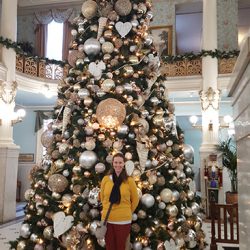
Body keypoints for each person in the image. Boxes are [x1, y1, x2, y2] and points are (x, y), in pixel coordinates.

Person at [99, 153, 139, 250]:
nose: (118, 165)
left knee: (120, 246)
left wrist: (128, 211)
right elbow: (102, 196)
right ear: (112, 163)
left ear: (124, 164)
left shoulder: (129, 180)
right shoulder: (106, 179)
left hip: (123, 220)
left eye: (120, 162)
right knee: (109, 246)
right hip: (107, 219)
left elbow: (135, 199)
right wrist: (105, 209)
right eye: (116, 162)